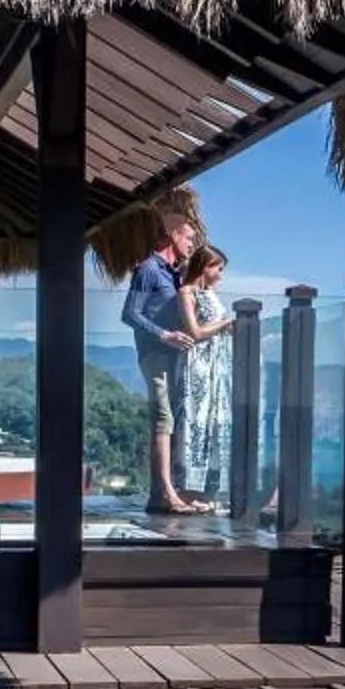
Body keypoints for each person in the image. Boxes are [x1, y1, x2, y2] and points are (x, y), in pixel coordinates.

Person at [120, 215, 207, 514]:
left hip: (175, 358)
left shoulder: (175, 274)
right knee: (162, 419)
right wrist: (164, 335)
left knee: (175, 419)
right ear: (172, 236)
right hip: (155, 355)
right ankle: (162, 494)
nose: (191, 244)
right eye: (188, 238)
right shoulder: (148, 270)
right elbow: (130, 314)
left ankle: (174, 490)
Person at [174, 246, 237, 506]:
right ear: (205, 266)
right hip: (197, 363)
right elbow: (195, 331)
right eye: (218, 268)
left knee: (215, 423)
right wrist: (224, 323)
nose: (220, 274)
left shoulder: (210, 294)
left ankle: (207, 491)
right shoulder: (186, 292)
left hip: (217, 365)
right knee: (194, 422)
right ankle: (188, 490)